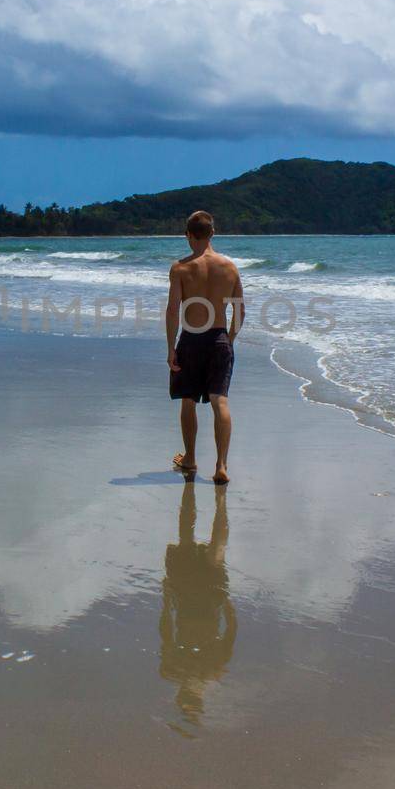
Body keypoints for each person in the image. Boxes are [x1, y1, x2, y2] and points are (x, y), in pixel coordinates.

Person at [166, 210, 242, 484]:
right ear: (213, 233)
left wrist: (170, 348)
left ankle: (190, 458)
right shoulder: (230, 267)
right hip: (219, 339)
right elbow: (240, 311)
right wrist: (228, 340)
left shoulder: (181, 268)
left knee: (188, 401)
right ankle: (221, 466)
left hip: (191, 338)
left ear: (188, 235)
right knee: (219, 400)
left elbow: (173, 310)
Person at [159, 482, 235, 726]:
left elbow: (166, 633)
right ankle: (221, 505)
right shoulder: (213, 669)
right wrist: (227, 603)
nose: (192, 688)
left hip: (188, 602)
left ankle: (220, 505)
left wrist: (166, 599)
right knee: (206, 551)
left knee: (189, 542)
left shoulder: (172, 669)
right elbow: (230, 633)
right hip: (205, 602)